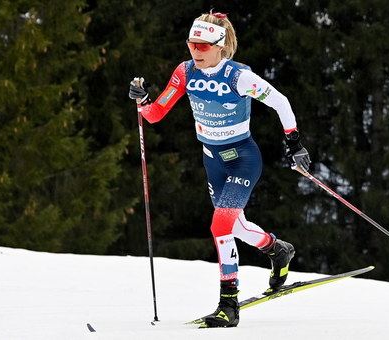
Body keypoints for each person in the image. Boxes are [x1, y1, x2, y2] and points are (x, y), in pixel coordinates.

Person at [128, 10, 311, 328]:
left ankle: (229, 305)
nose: (195, 51)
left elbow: (280, 102)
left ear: (220, 46)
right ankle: (276, 248)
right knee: (235, 227)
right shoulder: (184, 73)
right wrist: (143, 102)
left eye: (202, 46)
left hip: (243, 157)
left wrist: (294, 144)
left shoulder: (239, 77)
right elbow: (156, 114)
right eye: (191, 45)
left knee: (220, 225)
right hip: (212, 160)